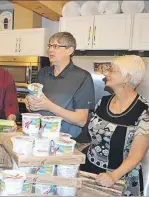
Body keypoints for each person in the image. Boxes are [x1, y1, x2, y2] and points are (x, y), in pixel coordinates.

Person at [80, 55, 149, 196]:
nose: (106, 73)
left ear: (126, 78)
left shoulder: (143, 111)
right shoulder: (103, 101)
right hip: (90, 172)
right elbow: (93, 138)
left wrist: (113, 176)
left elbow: (136, 156)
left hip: (120, 180)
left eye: (112, 70)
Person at [26, 32, 95, 138]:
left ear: (69, 50)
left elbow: (81, 120)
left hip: (66, 141)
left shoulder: (82, 77)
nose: (50, 50)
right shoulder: (43, 73)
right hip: (41, 136)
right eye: (50, 46)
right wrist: (30, 103)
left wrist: (49, 106)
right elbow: (37, 104)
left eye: (56, 46)